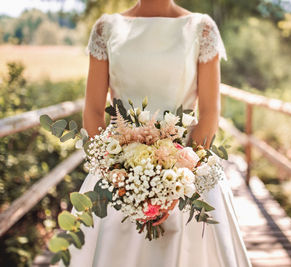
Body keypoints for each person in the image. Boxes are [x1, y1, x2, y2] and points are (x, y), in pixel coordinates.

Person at [67, 1, 252, 266]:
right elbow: (94, 112)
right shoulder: (106, 29)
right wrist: (117, 175)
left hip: (188, 172)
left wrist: (178, 180)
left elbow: (210, 112)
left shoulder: (201, 28)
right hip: (117, 175)